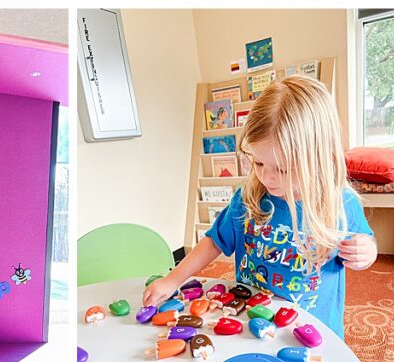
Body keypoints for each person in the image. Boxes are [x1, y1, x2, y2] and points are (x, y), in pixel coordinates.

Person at [144, 75, 376, 338]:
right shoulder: (248, 197)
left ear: (318, 158)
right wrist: (173, 279)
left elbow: (364, 240)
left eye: (283, 169)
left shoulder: (341, 203)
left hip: (311, 329)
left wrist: (367, 252)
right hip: (251, 321)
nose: (267, 178)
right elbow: (213, 242)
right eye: (258, 162)